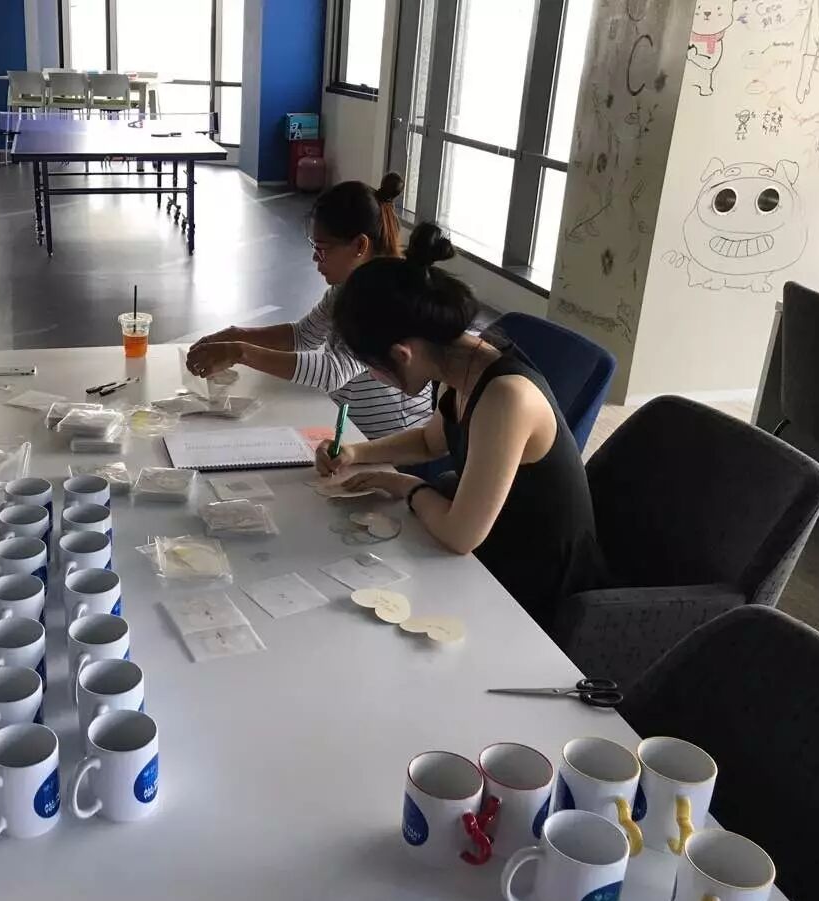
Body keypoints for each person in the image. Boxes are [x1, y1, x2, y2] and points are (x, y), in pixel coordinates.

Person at [316, 223, 605, 632]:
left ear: (403, 353)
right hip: (496, 544)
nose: (376, 377)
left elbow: (460, 534)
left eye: (374, 368)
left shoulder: (506, 397)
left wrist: (403, 485)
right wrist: (355, 453)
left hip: (536, 591)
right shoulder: (458, 362)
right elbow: (429, 441)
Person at [185, 173, 433, 439]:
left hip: (395, 442)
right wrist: (236, 335)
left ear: (360, 245)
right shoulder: (347, 287)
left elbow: (333, 371)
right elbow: (303, 336)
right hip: (355, 432)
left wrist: (240, 352)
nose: (315, 257)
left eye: (323, 248)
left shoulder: (387, 296)